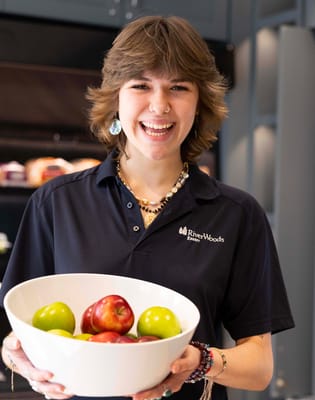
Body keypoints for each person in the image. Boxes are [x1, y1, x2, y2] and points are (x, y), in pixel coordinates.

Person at [0, 15, 294, 400]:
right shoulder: (56, 202)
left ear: (199, 103)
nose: (160, 106)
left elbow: (259, 369)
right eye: (141, 85)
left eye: (178, 87)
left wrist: (200, 361)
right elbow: (17, 333)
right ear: (116, 99)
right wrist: (17, 358)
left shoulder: (237, 214)